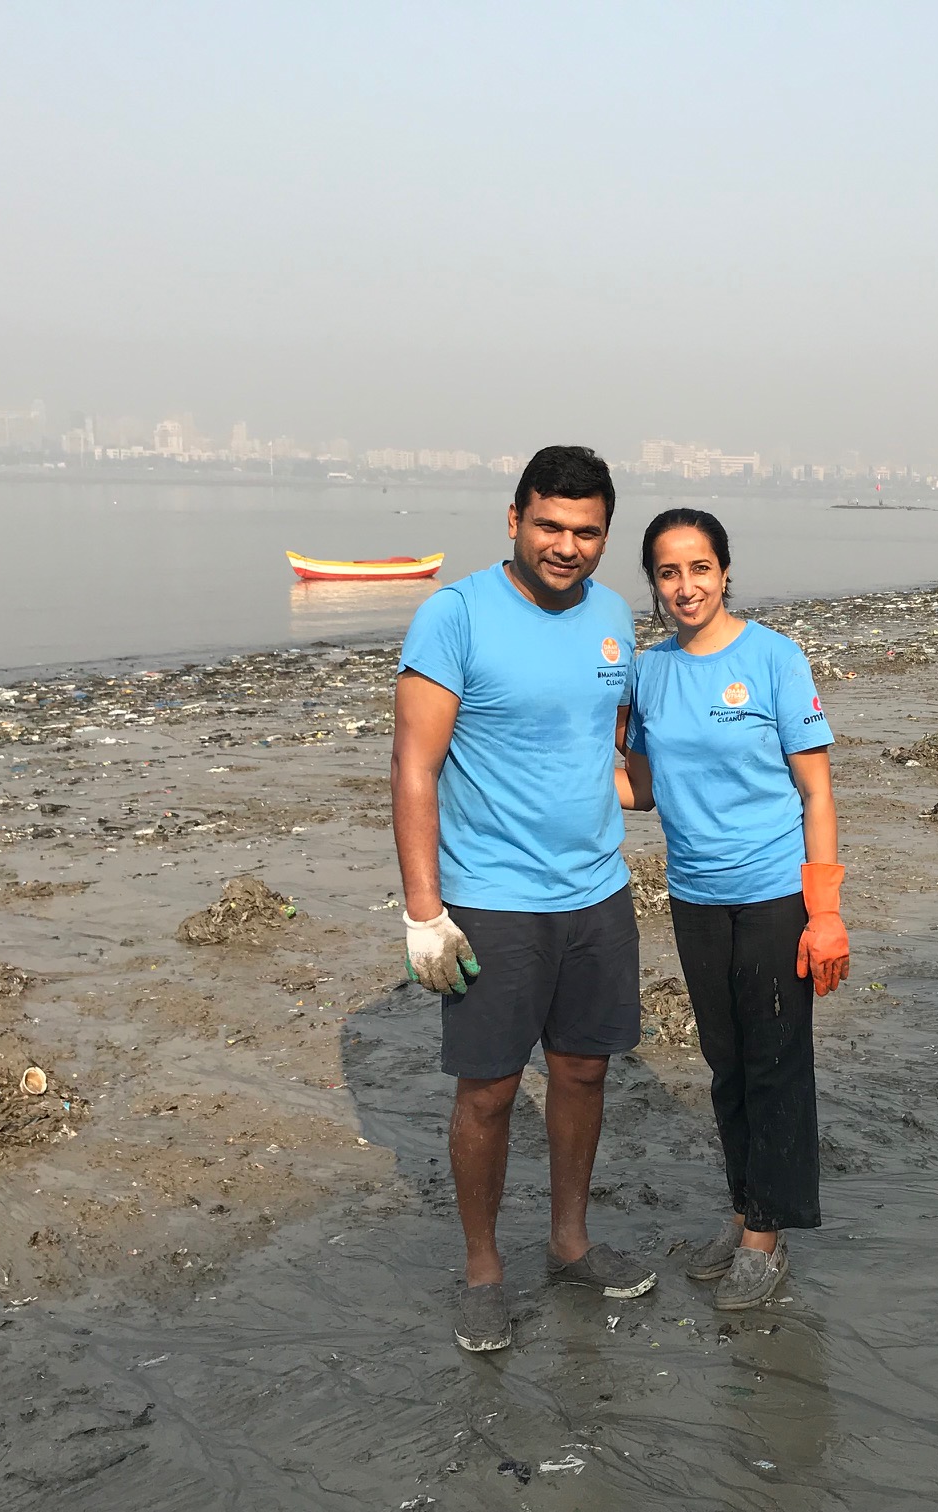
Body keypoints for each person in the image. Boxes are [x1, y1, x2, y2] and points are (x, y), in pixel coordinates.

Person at [393, 445, 657, 1354]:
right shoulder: (454, 615)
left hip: (597, 892)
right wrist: (424, 911)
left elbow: (616, 752)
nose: (566, 546)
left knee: (584, 1072)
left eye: (587, 532)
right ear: (514, 520)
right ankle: (481, 1271)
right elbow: (414, 768)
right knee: (491, 1091)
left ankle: (570, 1242)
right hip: (492, 900)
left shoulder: (616, 617)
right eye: (549, 525)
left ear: (605, 537)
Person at [619, 508, 848, 1310]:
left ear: (725, 572)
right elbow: (641, 790)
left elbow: (816, 791)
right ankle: (746, 1208)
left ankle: (766, 1240)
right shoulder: (647, 672)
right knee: (725, 1069)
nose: (686, 587)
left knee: (776, 1065)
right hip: (695, 897)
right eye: (669, 573)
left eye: (700, 569)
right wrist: (546, 779)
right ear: (654, 584)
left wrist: (826, 912)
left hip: (777, 894)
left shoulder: (775, 658)